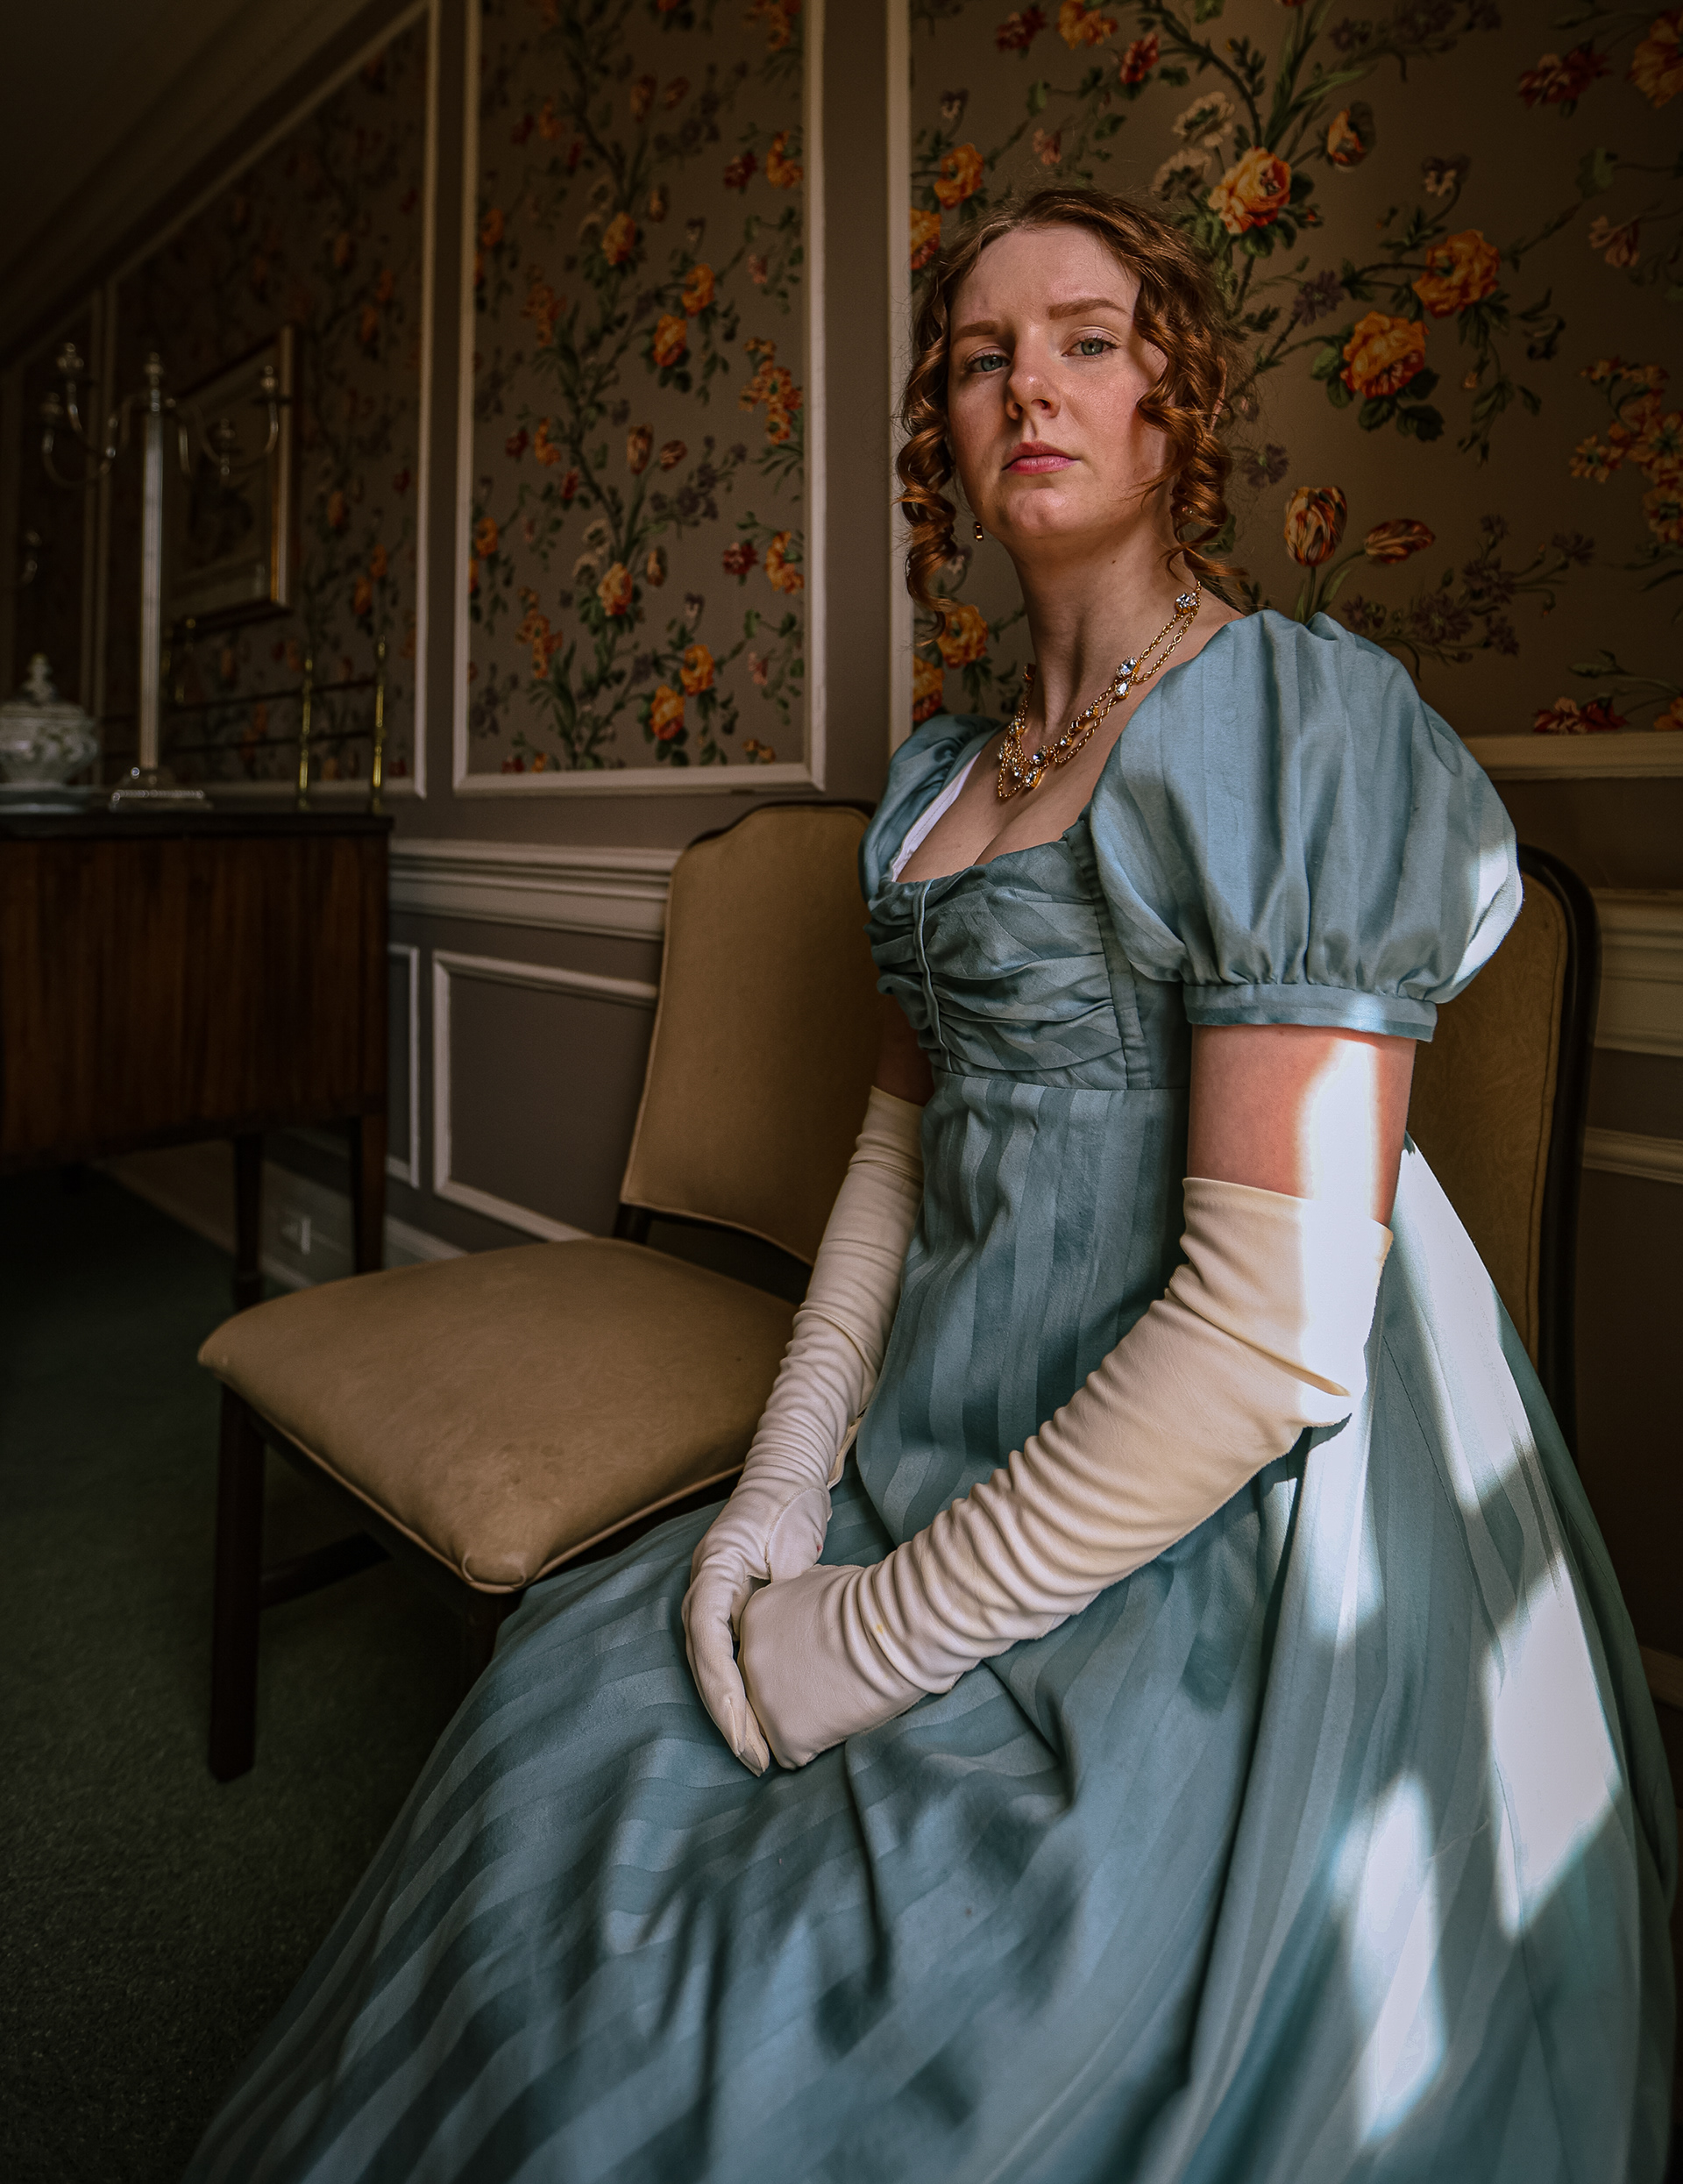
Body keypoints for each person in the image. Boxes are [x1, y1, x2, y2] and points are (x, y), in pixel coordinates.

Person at [187, 187, 1675, 2184]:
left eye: (1086, 337)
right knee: (567, 1747)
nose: (1028, 384)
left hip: (1238, 1492)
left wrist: (873, 1636)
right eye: (982, 358)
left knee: (885, 2023)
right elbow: (891, 1165)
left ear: (1171, 398)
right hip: (946, 1416)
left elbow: (1264, 1334)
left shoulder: (1296, 725)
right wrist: (785, 1486)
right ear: (945, 431)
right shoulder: (937, 788)